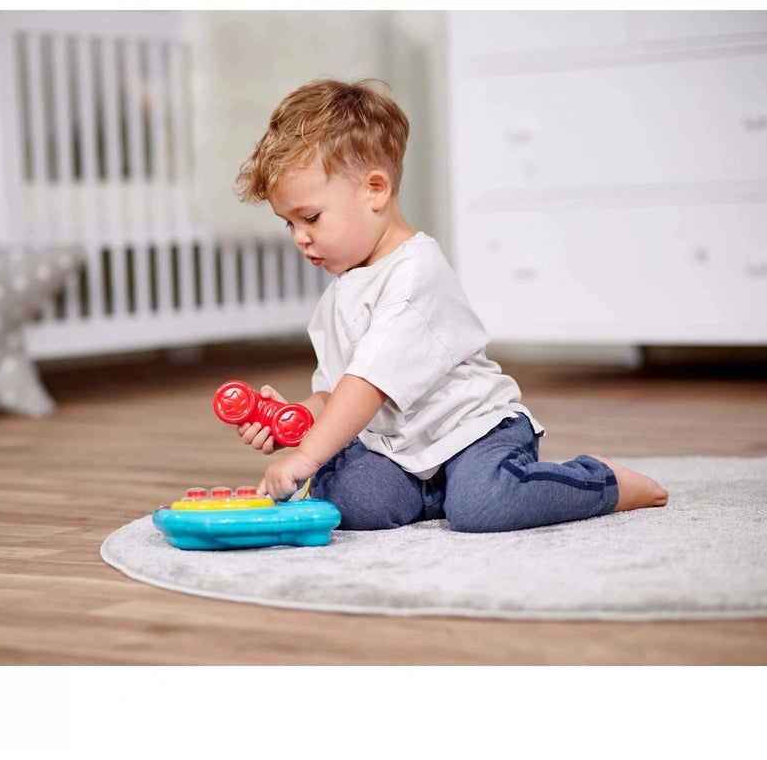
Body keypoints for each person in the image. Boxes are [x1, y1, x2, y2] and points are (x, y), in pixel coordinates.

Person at [231, 78, 668, 531]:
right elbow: (335, 393)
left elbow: (366, 386)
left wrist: (307, 456)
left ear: (375, 189)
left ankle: (600, 480)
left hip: (471, 434)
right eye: (289, 224)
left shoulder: (414, 273)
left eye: (311, 217)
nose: (300, 237)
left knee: (483, 505)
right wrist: (299, 418)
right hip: (400, 450)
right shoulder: (340, 291)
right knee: (352, 501)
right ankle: (438, 494)